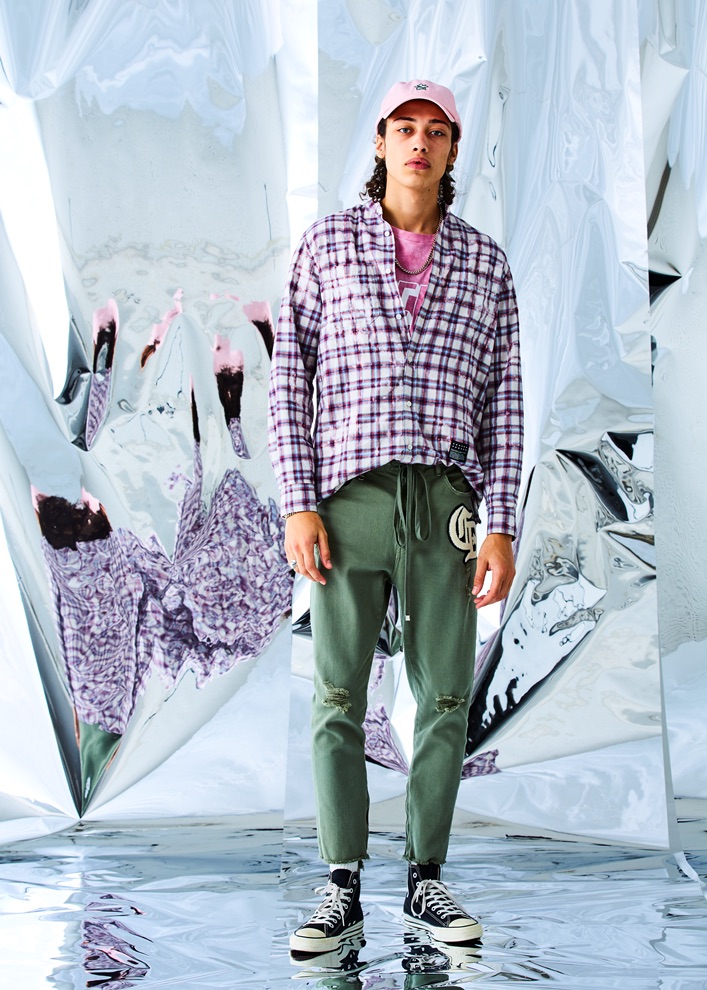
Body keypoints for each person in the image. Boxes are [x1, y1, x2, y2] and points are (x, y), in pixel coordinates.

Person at [268, 79, 523, 953]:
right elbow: (287, 381)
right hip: (350, 498)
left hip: (446, 501)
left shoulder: (484, 264)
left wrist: (500, 523)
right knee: (338, 691)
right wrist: (299, 503)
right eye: (404, 128)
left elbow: (504, 402)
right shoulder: (328, 247)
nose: (419, 143)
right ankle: (340, 883)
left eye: (435, 131)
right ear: (379, 141)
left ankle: (426, 880)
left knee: (444, 693)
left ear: (452, 149)